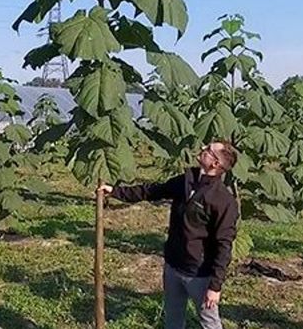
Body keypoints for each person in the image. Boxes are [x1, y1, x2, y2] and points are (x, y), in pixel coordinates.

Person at [97, 141, 239, 329]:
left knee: (209, 322)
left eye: (208, 150)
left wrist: (215, 286)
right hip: (173, 266)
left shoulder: (223, 200)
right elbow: (154, 191)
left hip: (199, 273)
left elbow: (224, 245)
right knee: (173, 319)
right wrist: (115, 191)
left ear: (216, 164)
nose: (202, 149)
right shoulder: (187, 181)